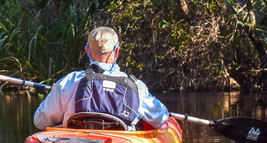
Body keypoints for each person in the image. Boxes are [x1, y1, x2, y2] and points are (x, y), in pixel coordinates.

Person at [33, 26, 169, 131]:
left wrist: (54, 91)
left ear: (87, 51)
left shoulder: (69, 81)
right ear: (117, 51)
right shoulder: (137, 86)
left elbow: (40, 121)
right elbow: (161, 118)